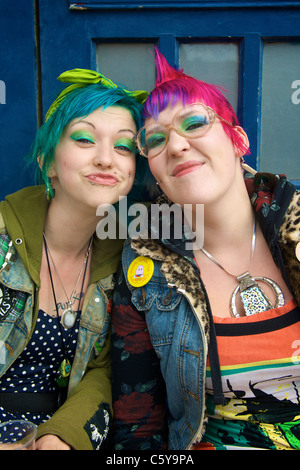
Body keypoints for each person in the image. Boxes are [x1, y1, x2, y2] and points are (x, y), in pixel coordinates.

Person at [111, 49, 300, 450]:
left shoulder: (294, 225)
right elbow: (137, 425)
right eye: (155, 139)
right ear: (156, 174)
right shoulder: (146, 265)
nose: (176, 146)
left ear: (239, 140)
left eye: (195, 122)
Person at [0, 68, 151, 450]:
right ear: (47, 161)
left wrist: (63, 438)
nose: (105, 159)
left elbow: (104, 370)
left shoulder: (129, 257)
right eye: (85, 139)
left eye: (123, 146)